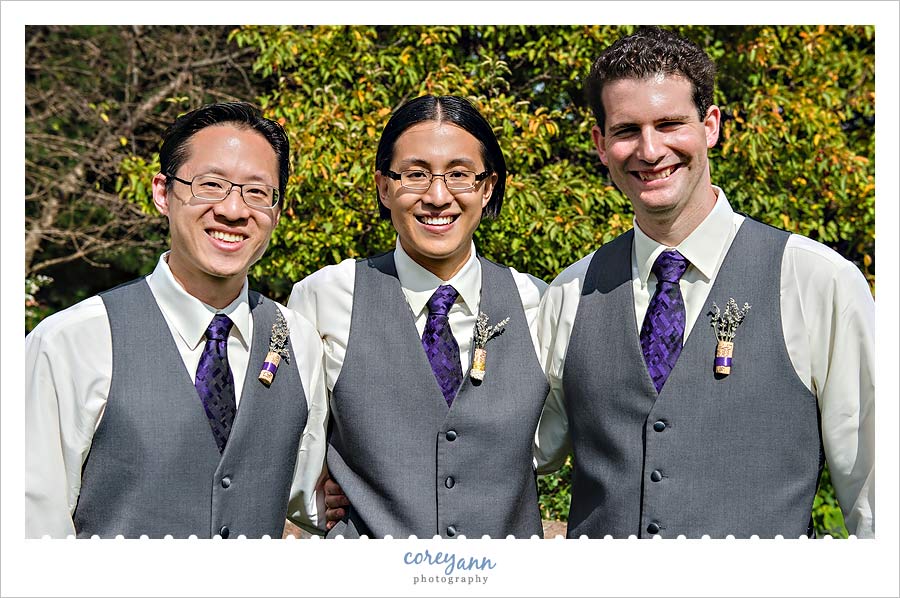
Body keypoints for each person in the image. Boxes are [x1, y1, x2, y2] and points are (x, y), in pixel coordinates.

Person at [534, 26, 875, 539]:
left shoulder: (816, 280)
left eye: (670, 123)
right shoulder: (569, 294)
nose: (650, 151)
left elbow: (874, 489)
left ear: (710, 125)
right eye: (627, 130)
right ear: (601, 145)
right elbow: (506, 451)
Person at [25, 102, 328, 539]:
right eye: (210, 185)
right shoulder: (72, 340)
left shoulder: (298, 340)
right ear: (163, 193)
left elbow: (306, 506)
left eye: (257, 192)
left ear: (277, 211)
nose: (233, 210)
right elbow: (32, 529)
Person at [289, 95, 548, 539]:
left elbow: (551, 441)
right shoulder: (324, 296)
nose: (437, 196)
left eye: (460, 175)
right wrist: (312, 503)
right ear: (384, 186)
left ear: (487, 188)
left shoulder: (537, 303)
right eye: (415, 174)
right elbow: (293, 442)